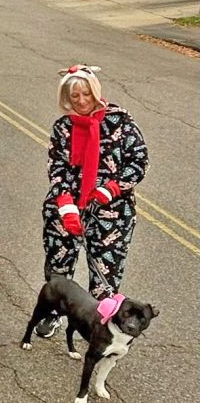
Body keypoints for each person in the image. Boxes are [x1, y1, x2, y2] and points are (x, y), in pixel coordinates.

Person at [34, 65, 149, 338]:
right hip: (67, 209)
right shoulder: (63, 128)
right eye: (75, 96)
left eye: (86, 94)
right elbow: (57, 168)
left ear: (95, 92)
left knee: (105, 274)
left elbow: (139, 161)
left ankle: (99, 324)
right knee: (58, 266)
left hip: (111, 213)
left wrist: (112, 188)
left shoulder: (121, 123)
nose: (82, 100)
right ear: (67, 98)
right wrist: (65, 204)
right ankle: (53, 313)